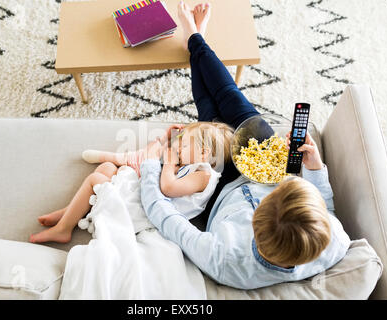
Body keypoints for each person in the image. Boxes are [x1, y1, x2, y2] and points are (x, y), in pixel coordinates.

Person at [138, 1, 350, 290]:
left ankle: (195, 37)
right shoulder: (333, 240)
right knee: (229, 96)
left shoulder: (224, 259)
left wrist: (151, 164)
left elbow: (162, 215)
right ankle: (195, 37)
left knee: (209, 113)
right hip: (271, 167)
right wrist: (314, 169)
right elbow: (329, 209)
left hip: (223, 189)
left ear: (255, 227)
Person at [29, 121, 234, 243]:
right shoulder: (189, 164)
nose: (178, 146)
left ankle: (64, 229)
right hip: (144, 195)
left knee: (96, 180)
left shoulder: (204, 175)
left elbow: (168, 188)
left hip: (145, 212)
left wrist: (170, 164)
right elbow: (151, 156)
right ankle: (69, 212)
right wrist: (165, 139)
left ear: (205, 153)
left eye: (184, 143)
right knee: (107, 168)